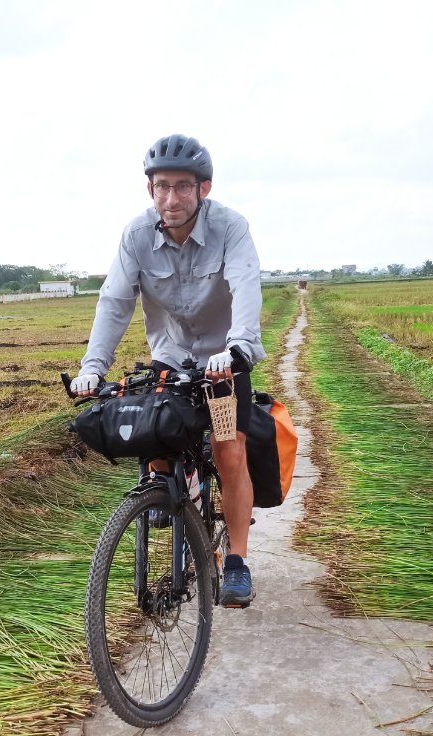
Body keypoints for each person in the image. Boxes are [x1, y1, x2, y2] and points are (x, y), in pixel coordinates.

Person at [70, 133, 265, 608]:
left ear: (204, 188)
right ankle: (167, 499)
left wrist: (239, 348)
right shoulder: (137, 235)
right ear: (150, 190)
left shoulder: (231, 228)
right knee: (152, 435)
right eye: (161, 187)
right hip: (171, 358)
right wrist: (92, 367)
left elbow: (245, 285)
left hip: (223, 364)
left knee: (228, 452)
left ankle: (236, 560)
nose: (171, 198)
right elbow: (114, 302)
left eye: (182, 186)